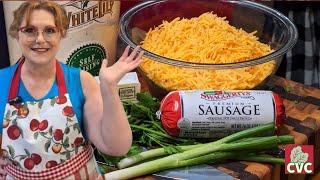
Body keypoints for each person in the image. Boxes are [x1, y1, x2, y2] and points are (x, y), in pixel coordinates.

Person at [0, 1, 143, 179]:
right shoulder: (2, 82)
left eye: (50, 30)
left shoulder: (81, 81)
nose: (40, 39)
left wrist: (108, 87)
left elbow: (116, 147)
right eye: (30, 30)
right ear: (16, 34)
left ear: (61, 33)